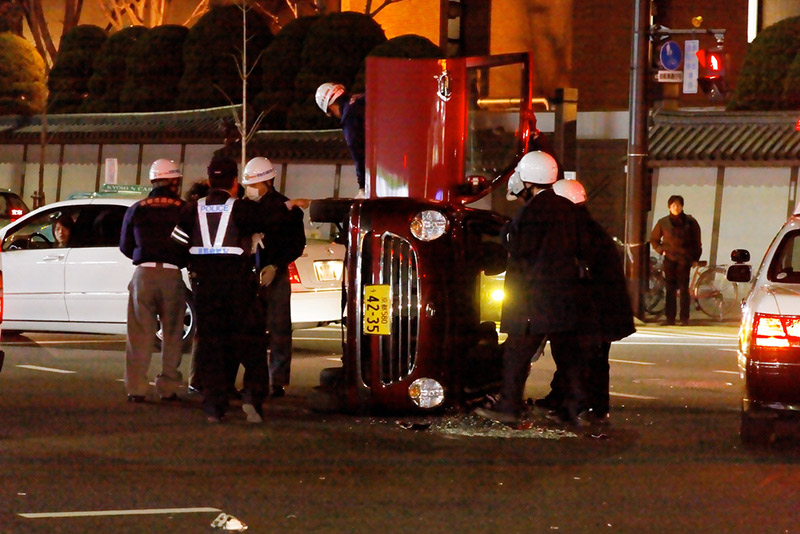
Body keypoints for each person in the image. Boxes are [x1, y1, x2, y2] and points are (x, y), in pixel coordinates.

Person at [170, 156, 285, 423]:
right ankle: (252, 400)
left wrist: (195, 263)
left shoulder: (190, 210)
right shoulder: (242, 209)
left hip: (205, 290)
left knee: (212, 347)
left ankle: (213, 406)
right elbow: (271, 223)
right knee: (251, 344)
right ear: (235, 182)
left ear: (210, 181)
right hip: (238, 289)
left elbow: (175, 250)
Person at [475, 151, 585, 426]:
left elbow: (518, 244)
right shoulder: (566, 208)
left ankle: (508, 406)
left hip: (533, 297)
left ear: (529, 180)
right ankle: (574, 408)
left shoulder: (533, 211)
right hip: (563, 296)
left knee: (516, 352)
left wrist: (506, 232)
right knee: (567, 355)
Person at [540, 179, 635, 423]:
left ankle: (577, 407)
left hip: (590, 311)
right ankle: (596, 407)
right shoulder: (590, 227)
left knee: (577, 358)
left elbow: (575, 272)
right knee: (596, 359)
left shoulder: (576, 231)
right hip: (604, 310)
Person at [119, 158, 187, 403]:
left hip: (143, 275)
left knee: (139, 334)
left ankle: (136, 388)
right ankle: (168, 387)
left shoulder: (136, 208)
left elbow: (125, 246)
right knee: (172, 332)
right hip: (171, 274)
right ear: (174, 181)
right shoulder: (183, 208)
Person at [242, 157, 307, 398]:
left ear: (269, 181)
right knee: (250, 329)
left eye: (255, 184)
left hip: (276, 275)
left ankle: (277, 381)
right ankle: (254, 379)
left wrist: (276, 266)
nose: (251, 189)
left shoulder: (288, 209)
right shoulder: (245, 206)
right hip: (248, 275)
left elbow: (297, 245)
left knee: (279, 328)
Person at [650, 195, 702, 326]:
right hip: (670, 259)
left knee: (684, 289)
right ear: (669, 207)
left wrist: (695, 258)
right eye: (673, 205)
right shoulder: (663, 222)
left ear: (682, 206)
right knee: (670, 289)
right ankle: (670, 318)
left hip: (685, 260)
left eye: (678, 205)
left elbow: (697, 242)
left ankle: (684, 318)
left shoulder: (691, 222)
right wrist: (661, 250)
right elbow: (654, 239)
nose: (676, 207)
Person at [315, 82, 366, 199]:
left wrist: (362, 186)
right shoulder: (361, 99)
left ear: (329, 108)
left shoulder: (349, 116)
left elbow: (357, 151)